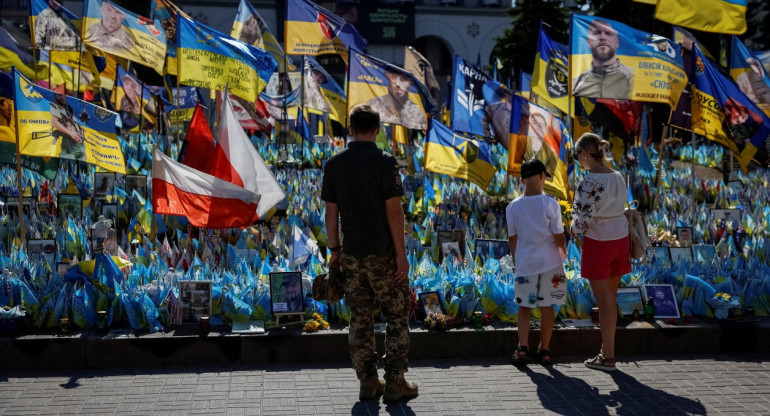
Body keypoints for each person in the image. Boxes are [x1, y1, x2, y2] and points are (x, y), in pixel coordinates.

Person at [321, 104, 416, 402]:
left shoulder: (334, 164)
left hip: (352, 253)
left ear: (349, 129)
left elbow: (330, 213)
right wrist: (401, 254)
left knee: (359, 317)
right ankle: (396, 381)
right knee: (397, 315)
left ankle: (368, 381)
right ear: (377, 129)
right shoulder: (385, 161)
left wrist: (335, 250)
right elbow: (393, 211)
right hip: (383, 254)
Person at [570, 132, 630, 372]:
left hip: (600, 241)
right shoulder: (617, 176)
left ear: (585, 154)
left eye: (578, 156)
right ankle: (607, 353)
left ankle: (608, 357)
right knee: (610, 302)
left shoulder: (589, 181)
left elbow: (581, 222)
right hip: (621, 238)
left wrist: (571, 229)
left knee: (604, 303)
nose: (578, 160)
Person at [507, 159, 566, 366]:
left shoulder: (512, 206)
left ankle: (522, 347)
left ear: (522, 179)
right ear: (542, 176)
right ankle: (545, 349)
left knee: (524, 307)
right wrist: (563, 250)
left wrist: (517, 258)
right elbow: (558, 234)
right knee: (548, 306)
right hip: (550, 262)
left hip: (525, 263)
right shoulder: (551, 203)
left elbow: (512, 238)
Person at [572, 19, 633, 100]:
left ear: (617, 42)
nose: (603, 37)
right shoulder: (576, 83)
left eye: (609, 33)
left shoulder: (633, 77)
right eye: (596, 33)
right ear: (588, 42)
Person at [523, 111, 561, 178]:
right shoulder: (521, 143)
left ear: (545, 129)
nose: (537, 127)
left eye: (540, 125)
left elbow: (553, 177)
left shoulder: (551, 153)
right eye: (534, 123)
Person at [51, 93, 85, 159]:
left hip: (80, 144)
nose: (63, 97)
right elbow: (54, 122)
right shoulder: (58, 105)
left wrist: (82, 132)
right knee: (67, 167)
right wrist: (70, 133)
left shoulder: (74, 103)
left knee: (83, 168)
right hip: (68, 143)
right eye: (61, 95)